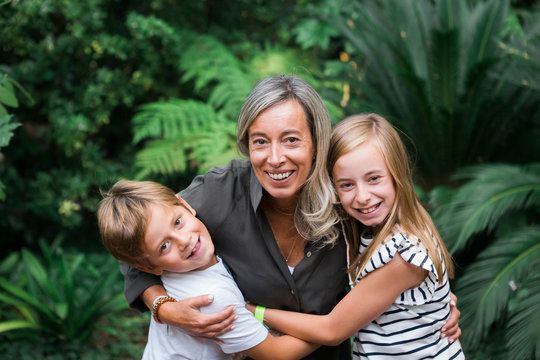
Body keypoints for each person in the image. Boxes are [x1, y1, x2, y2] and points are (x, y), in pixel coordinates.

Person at [121, 75, 461, 360]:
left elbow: (402, 253)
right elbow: (137, 248)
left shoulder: (348, 196)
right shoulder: (221, 194)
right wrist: (163, 307)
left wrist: (433, 309)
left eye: (291, 140)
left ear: (317, 142)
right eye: (260, 142)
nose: (275, 158)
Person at [248, 114, 464, 359]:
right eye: (347, 185)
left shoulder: (402, 254)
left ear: (397, 174)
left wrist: (252, 310)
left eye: (373, 179)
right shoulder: (375, 230)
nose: (362, 196)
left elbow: (332, 330)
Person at [97, 179, 319, 359]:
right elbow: (277, 353)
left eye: (177, 222)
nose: (183, 241)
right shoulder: (211, 299)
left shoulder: (189, 267)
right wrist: (332, 330)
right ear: (147, 267)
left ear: (185, 204)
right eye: (164, 246)